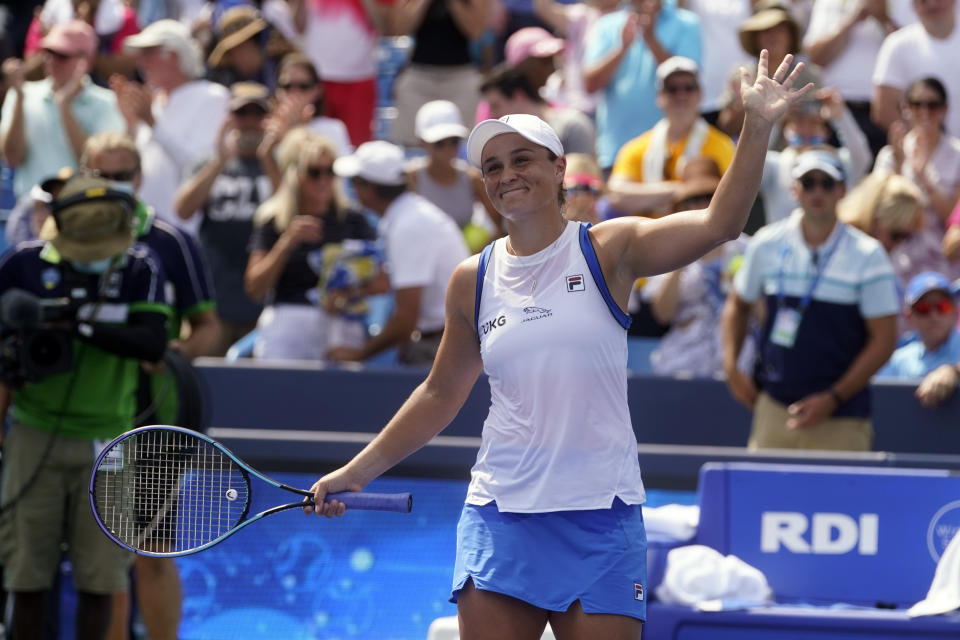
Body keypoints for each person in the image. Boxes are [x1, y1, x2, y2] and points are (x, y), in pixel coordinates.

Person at [304, 51, 813, 638]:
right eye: (492, 167)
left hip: (603, 516)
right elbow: (440, 393)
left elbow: (721, 223)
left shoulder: (609, 248)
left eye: (522, 160)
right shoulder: (472, 278)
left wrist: (756, 125)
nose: (505, 175)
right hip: (500, 515)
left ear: (559, 169)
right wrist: (358, 471)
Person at [0, 176, 169, 640]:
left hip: (110, 439)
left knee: (102, 580)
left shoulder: (140, 266)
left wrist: (78, 327)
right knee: (25, 577)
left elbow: (154, 342)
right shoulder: (21, 265)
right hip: (33, 432)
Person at [80, 132, 220, 640]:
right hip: (75, 413)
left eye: (123, 176)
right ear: (83, 176)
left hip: (148, 417)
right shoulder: (56, 237)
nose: (115, 186)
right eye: (102, 176)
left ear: (139, 178)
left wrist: (168, 353)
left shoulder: (170, 240)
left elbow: (208, 327)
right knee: (100, 559)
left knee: (147, 551)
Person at [722, 149, 901, 451]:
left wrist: (833, 398)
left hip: (842, 418)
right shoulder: (765, 243)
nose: (817, 191)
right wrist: (730, 368)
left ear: (842, 190)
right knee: (766, 499)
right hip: (774, 409)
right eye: (808, 182)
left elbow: (884, 340)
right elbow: (738, 306)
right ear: (794, 190)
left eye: (827, 183)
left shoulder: (869, 255)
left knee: (839, 501)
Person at [327, 140, 470, 367]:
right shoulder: (406, 216)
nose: (351, 188)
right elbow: (389, 285)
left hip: (440, 348)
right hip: (442, 343)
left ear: (369, 189)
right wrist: (353, 292)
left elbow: (405, 320)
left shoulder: (408, 226)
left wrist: (358, 355)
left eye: (354, 182)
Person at [244, 133, 378, 360]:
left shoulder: (354, 219)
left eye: (331, 171)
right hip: (287, 322)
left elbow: (382, 281)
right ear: (295, 175)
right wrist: (286, 243)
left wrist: (349, 294)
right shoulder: (274, 220)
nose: (324, 180)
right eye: (315, 172)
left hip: (341, 323)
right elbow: (255, 289)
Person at [173, 82, 274, 355]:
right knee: (209, 386)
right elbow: (183, 209)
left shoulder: (281, 163)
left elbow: (293, 209)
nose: (250, 122)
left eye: (258, 115)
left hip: (264, 307)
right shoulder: (208, 163)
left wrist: (269, 157)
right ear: (229, 119)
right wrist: (220, 161)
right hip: (214, 306)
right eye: (242, 115)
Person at [115, 18, 230, 228]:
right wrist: (130, 123)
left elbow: (199, 168)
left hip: (185, 231)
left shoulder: (212, 97)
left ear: (174, 55)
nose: (141, 62)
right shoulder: (153, 102)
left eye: (149, 53)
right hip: (142, 226)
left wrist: (152, 123)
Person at [643, 158, 751, 377]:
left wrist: (742, 290)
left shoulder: (748, 248)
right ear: (681, 207)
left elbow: (762, 315)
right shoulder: (667, 249)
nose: (702, 206)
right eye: (693, 200)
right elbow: (662, 315)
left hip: (736, 362)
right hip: (683, 361)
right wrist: (680, 258)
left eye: (709, 197)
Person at [0, 20, 125, 200]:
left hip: (82, 211)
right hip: (31, 212)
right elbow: (12, 158)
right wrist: (20, 98)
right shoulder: (21, 94)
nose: (52, 60)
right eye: (48, 52)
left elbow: (96, 166)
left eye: (62, 55)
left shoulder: (108, 103)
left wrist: (64, 107)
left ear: (87, 61)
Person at [606, 56, 735, 216]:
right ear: (659, 97)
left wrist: (648, 198)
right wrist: (678, 191)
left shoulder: (722, 144)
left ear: (700, 94)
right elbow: (616, 195)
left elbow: (731, 196)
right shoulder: (636, 147)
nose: (681, 95)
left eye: (689, 87)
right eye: (672, 89)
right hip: (650, 237)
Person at [583, 0, 702, 173]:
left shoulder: (687, 22)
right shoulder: (606, 24)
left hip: (678, 153)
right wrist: (622, 48)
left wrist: (651, 39)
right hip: (616, 151)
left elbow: (688, 83)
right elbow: (590, 84)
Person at [803, 0, 916, 157]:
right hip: (836, 112)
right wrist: (852, 19)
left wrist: (882, 18)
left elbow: (913, 55)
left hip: (885, 118)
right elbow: (816, 57)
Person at [875, 77, 960, 282]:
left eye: (933, 105)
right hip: (898, 260)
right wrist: (897, 165)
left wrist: (925, 179)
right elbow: (882, 214)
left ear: (945, 109)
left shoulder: (958, 154)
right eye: (916, 104)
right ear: (906, 108)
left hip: (945, 261)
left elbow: (954, 217)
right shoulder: (891, 154)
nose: (924, 112)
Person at [389, 0, 489, 147]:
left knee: (466, 143)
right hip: (419, 76)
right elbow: (401, 28)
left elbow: (475, 31)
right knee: (410, 139)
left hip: (461, 77)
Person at [406, 100, 501, 241]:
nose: (448, 148)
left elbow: (501, 227)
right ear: (422, 143)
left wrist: (475, 255)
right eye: (439, 143)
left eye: (454, 141)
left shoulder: (472, 178)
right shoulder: (411, 177)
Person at [871, 0, 959, 137]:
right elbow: (884, 108)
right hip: (922, 156)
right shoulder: (897, 45)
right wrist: (918, 145)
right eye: (923, 1)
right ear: (913, 5)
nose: (932, 4)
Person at [878, 271, 960, 408]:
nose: (934, 316)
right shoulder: (899, 359)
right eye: (923, 309)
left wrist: (954, 372)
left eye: (942, 307)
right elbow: (878, 396)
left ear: (955, 312)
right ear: (909, 317)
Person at [481, 66, 597, 158]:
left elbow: (582, 177)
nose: (492, 115)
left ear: (518, 96)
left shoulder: (572, 125)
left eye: (496, 106)